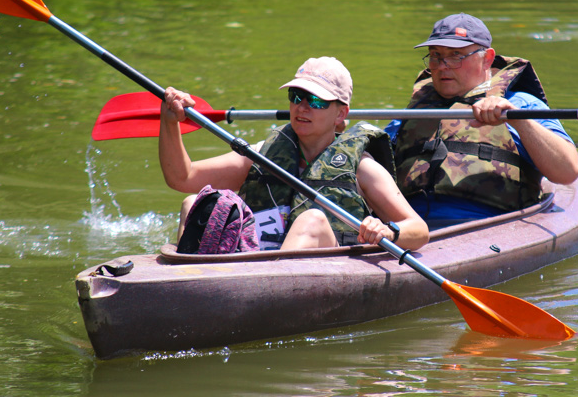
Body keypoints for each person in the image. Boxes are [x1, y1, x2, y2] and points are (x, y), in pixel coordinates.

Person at [159, 57, 429, 251]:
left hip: (321, 270)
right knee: (195, 202)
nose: (302, 107)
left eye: (316, 101)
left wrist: (387, 230)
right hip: (255, 262)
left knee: (311, 221)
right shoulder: (262, 155)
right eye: (296, 96)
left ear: (341, 114)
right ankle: (188, 285)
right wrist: (170, 122)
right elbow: (182, 178)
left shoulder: (362, 167)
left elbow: (418, 230)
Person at [385, 13, 578, 229]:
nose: (442, 66)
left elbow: (567, 172)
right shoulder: (414, 112)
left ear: (487, 58)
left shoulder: (521, 103)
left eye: (456, 56)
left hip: (486, 228)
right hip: (408, 229)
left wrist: (517, 120)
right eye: (435, 56)